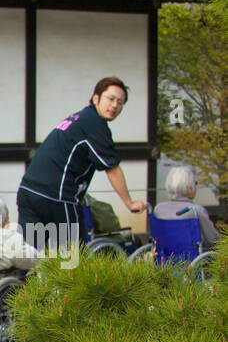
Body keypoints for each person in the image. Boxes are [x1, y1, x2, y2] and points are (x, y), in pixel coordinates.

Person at [17, 76, 147, 250]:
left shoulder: (79, 118)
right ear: (96, 98)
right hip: (57, 197)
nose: (115, 105)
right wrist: (129, 203)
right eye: (111, 99)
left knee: (29, 255)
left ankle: (18, 277)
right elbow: (112, 167)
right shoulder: (95, 124)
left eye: (120, 102)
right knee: (71, 261)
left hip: (28, 192)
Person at [152, 166, 220, 246]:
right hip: (192, 257)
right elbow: (213, 240)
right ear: (189, 188)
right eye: (195, 183)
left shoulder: (159, 209)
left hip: (165, 256)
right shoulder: (195, 210)